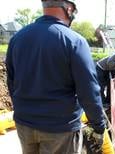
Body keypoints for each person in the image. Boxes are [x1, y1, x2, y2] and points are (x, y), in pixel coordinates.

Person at [5, 0, 106, 153]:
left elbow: (11, 82)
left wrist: (22, 110)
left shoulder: (18, 38)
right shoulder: (74, 41)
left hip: (24, 124)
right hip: (60, 128)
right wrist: (98, 126)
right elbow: (88, 90)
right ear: (69, 9)